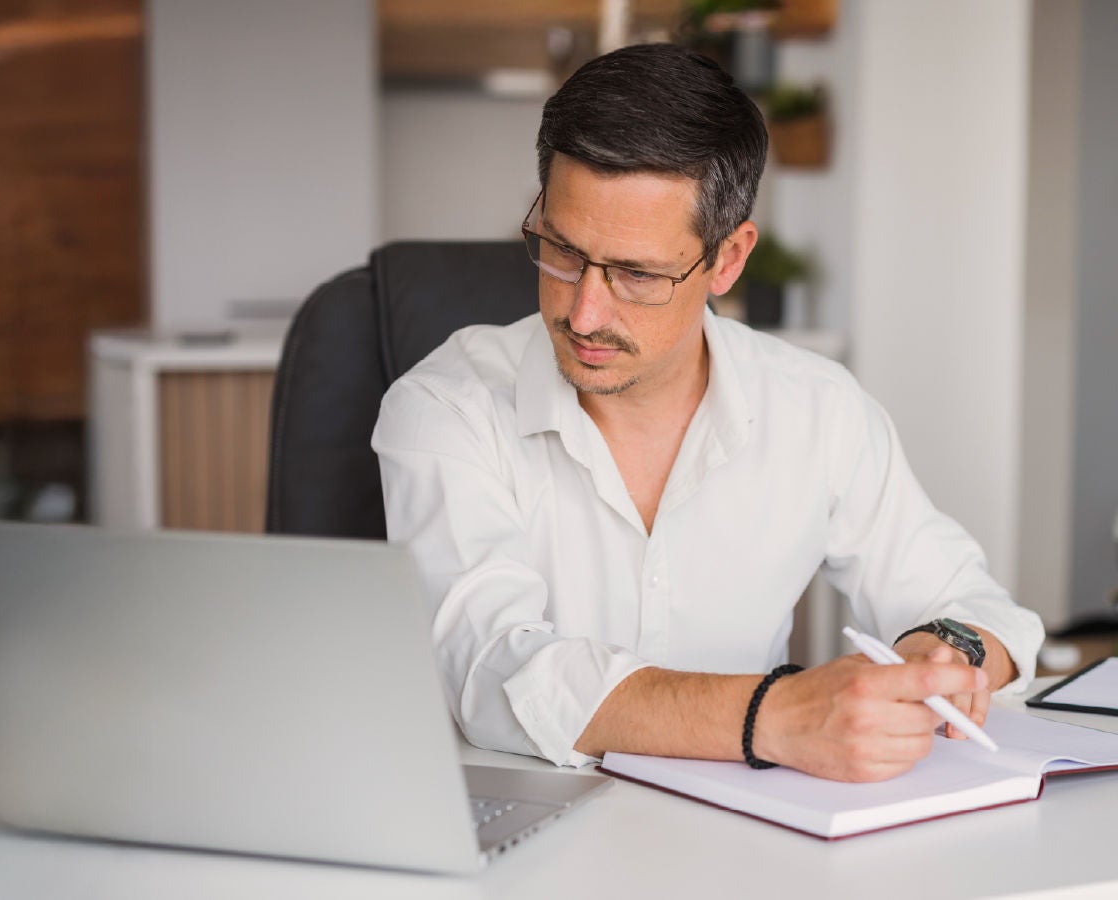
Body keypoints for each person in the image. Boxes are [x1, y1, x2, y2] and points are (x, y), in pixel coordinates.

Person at [370, 43, 1043, 783]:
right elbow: (492, 669)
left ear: (727, 260)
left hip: (750, 848)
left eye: (636, 273)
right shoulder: (444, 406)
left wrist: (943, 658)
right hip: (514, 837)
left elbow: (976, 607)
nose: (584, 310)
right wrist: (779, 717)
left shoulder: (817, 409)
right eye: (561, 250)